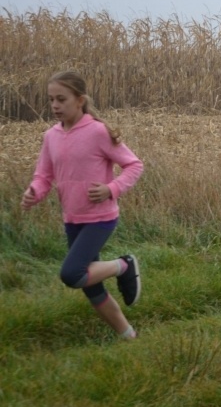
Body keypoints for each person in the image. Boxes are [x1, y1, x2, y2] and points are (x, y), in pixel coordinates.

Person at [21, 71, 144, 340]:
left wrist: (111, 189)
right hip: (72, 219)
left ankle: (124, 265)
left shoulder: (97, 132)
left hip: (101, 218)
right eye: (51, 99)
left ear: (80, 100)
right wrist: (34, 192)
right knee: (91, 286)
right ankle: (129, 337)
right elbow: (44, 176)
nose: (55, 105)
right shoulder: (50, 136)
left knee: (72, 274)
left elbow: (134, 165)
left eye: (61, 99)